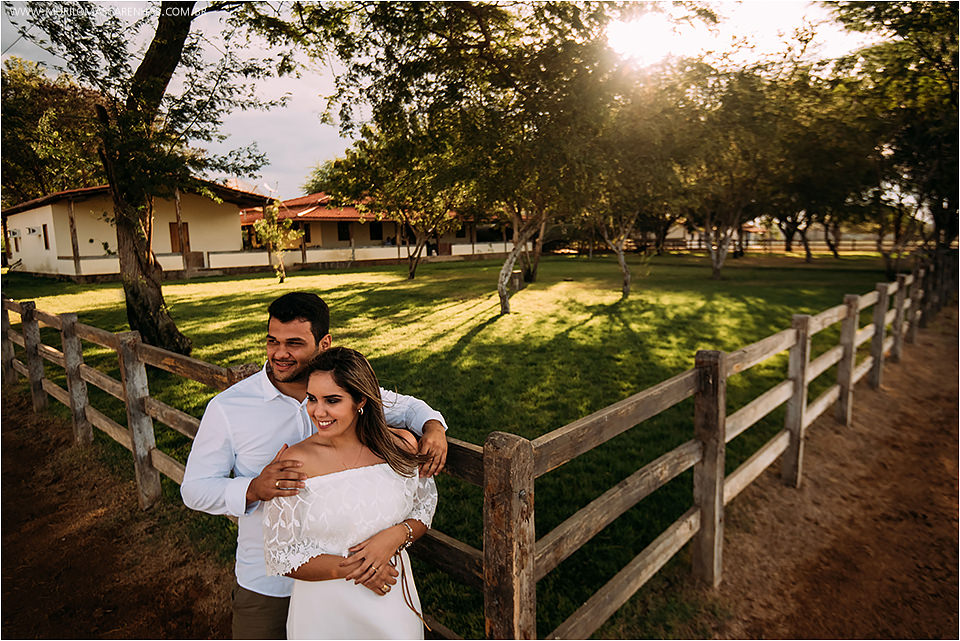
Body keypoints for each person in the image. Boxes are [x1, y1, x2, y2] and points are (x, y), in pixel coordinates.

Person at [181, 292, 448, 639]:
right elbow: (194, 489)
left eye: (294, 343)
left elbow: (408, 407)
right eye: (272, 341)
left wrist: (434, 428)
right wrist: (252, 488)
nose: (280, 353)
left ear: (324, 343)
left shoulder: (340, 387)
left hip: (366, 582)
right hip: (270, 583)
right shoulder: (229, 408)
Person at [263, 347, 437, 639]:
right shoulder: (294, 463)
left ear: (361, 401)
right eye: (312, 399)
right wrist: (359, 569)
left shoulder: (400, 447)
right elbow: (281, 555)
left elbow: (422, 509)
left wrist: (396, 535)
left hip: (390, 600)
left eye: (332, 400)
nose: (318, 411)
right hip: (324, 612)